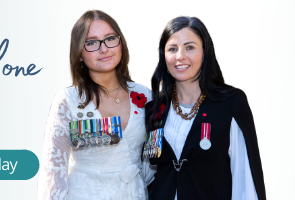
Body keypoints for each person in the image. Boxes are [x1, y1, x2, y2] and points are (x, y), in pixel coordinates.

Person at [144, 16, 266, 200]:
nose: (180, 56)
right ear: (164, 56)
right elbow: (145, 175)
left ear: (205, 52)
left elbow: (244, 176)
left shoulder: (230, 103)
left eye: (190, 47)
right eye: (172, 49)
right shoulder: (155, 109)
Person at [37, 10, 154, 200]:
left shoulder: (145, 95)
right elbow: (53, 172)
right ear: (79, 54)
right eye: (91, 43)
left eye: (110, 38)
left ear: (120, 43)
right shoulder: (68, 101)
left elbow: (152, 160)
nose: (104, 48)